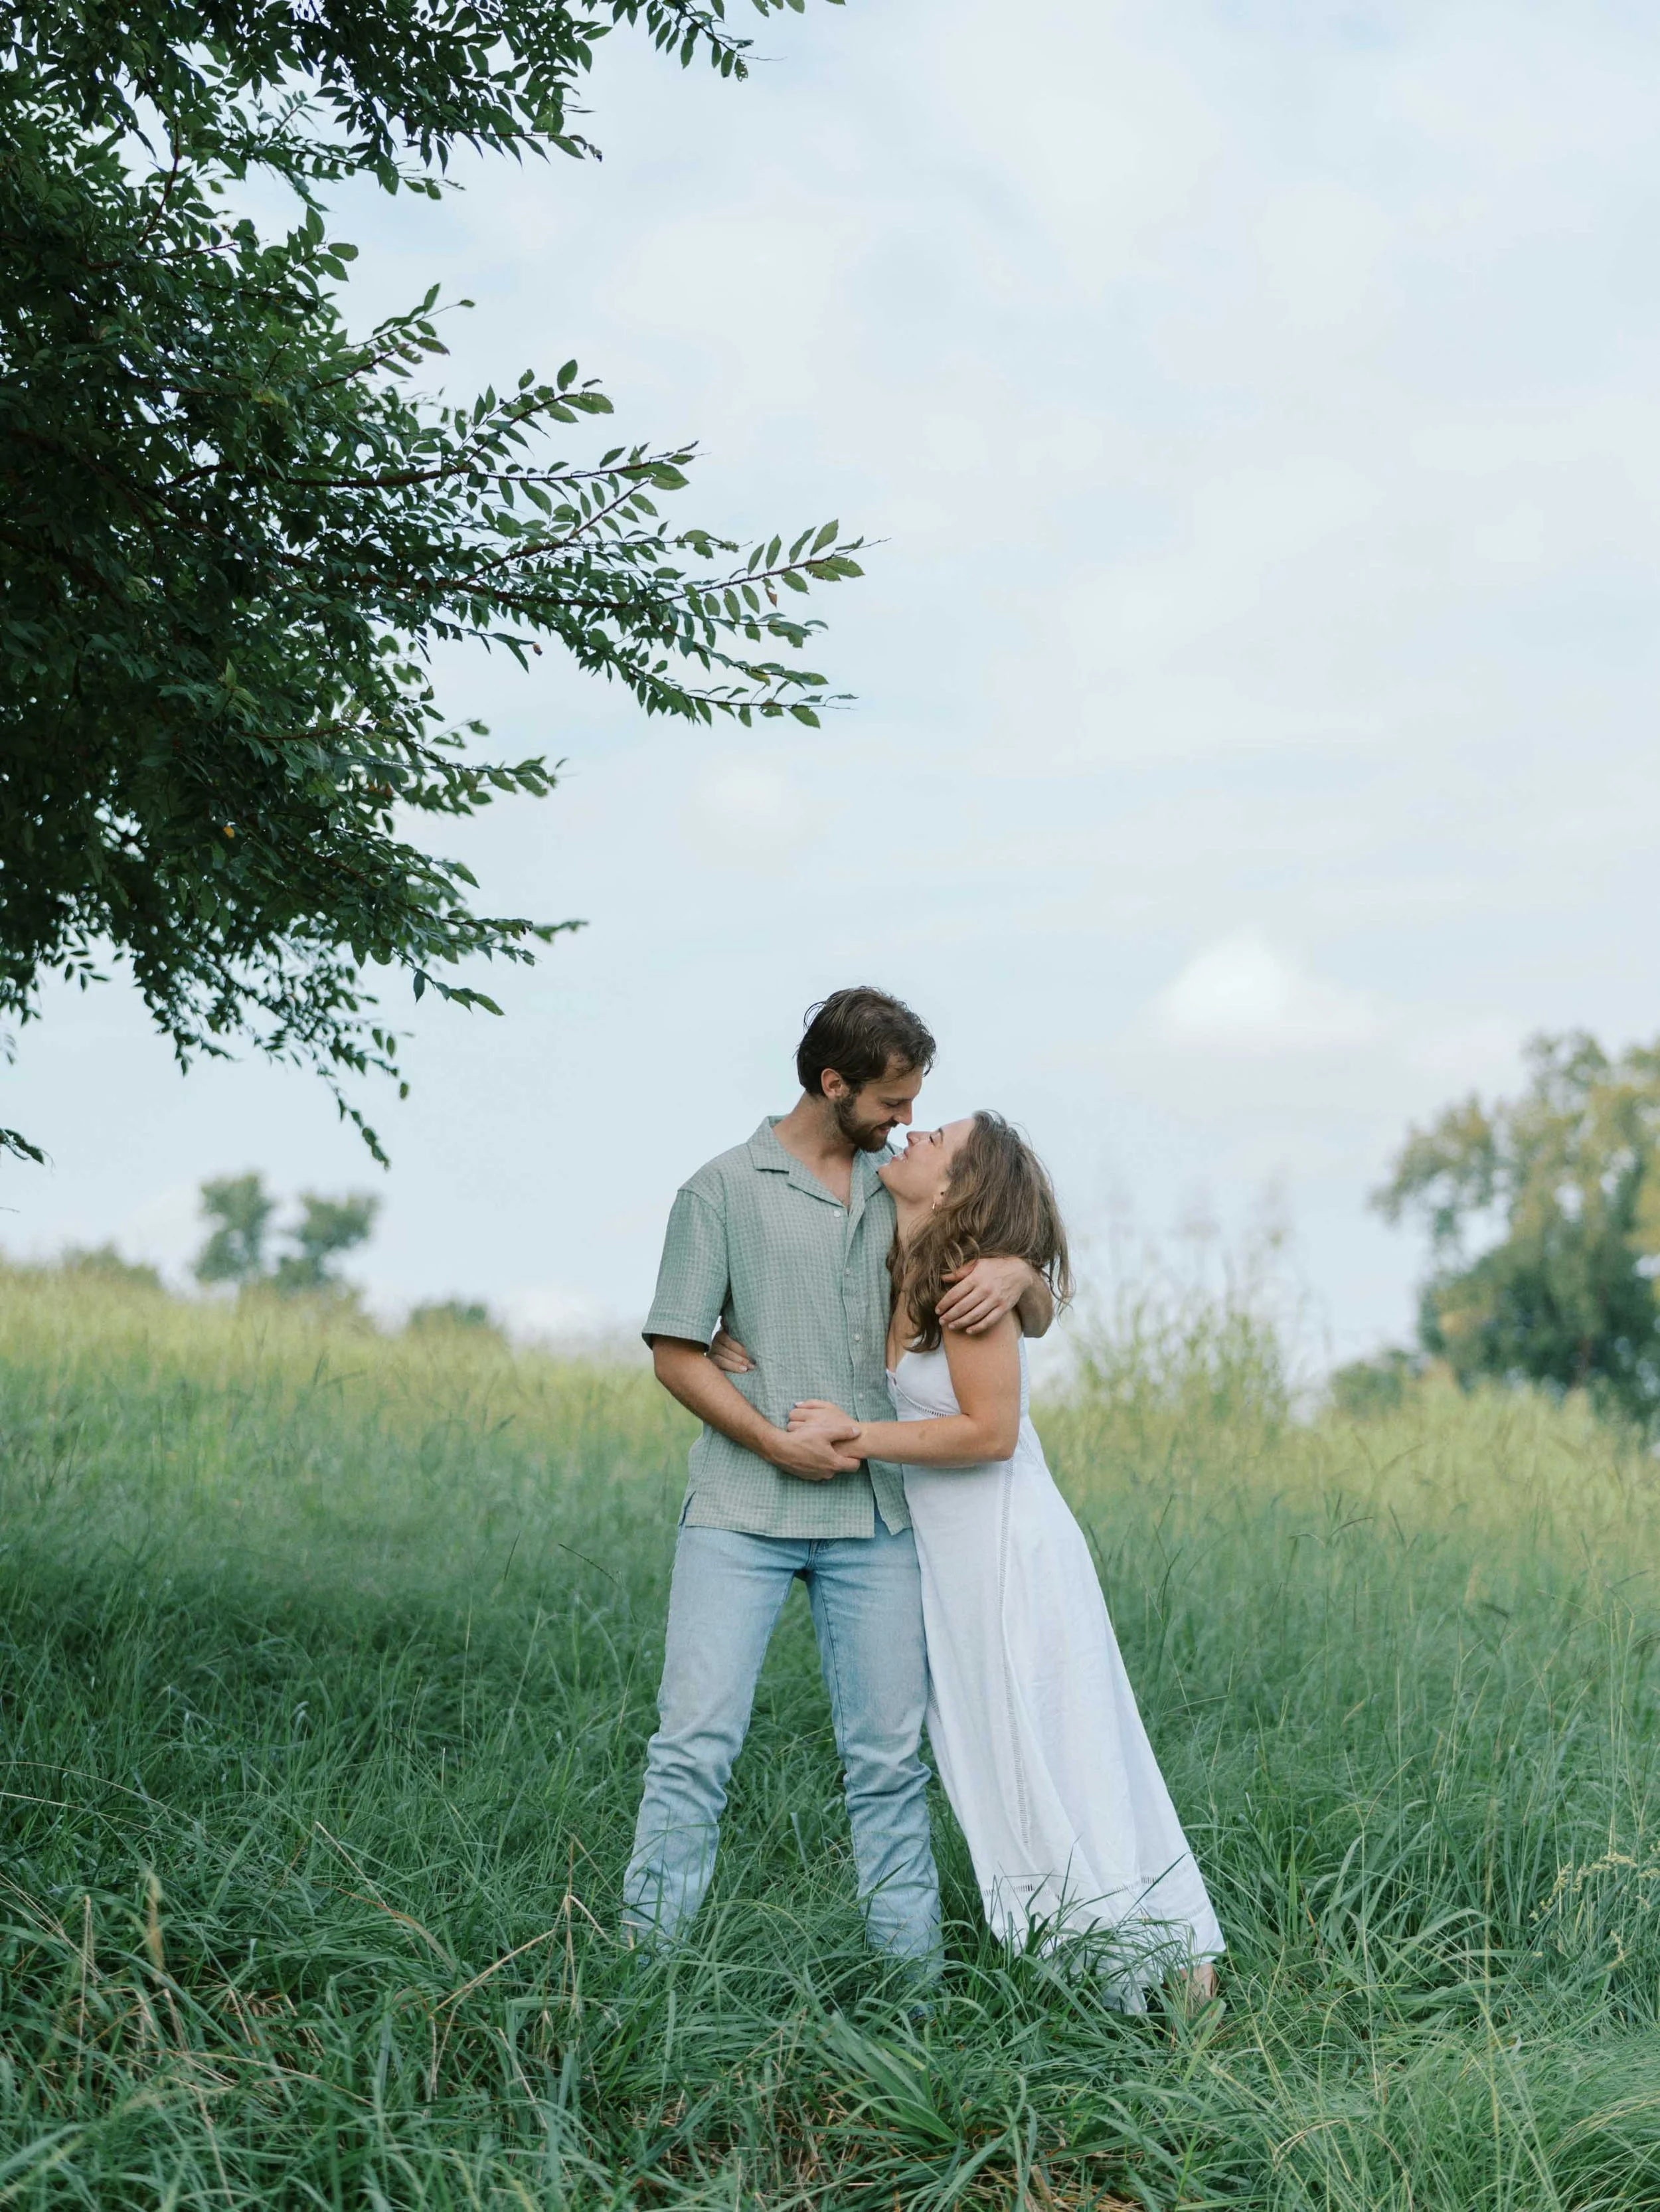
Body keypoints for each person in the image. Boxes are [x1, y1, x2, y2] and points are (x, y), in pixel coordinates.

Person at [623, 989, 1054, 1976]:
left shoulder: (904, 1188)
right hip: (741, 1512)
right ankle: (640, 1980)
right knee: (693, 1749)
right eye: (892, 1101)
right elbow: (676, 1352)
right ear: (832, 1083)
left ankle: (913, 2000)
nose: (906, 1120)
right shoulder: (721, 1191)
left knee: (888, 1769)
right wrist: (775, 1444)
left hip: (876, 1519)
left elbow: (1011, 1294)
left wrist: (1024, 1275)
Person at [786, 1112, 1224, 2008]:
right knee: (1000, 1764)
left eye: (938, 1137)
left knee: (1065, 1751)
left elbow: (989, 1433)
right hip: (953, 1568)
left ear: (954, 1189)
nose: (911, 1130)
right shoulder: (904, 1255)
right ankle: (1093, 1969)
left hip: (1010, 1553)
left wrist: (856, 1435)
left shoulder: (967, 1288)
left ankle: (1179, 1974)